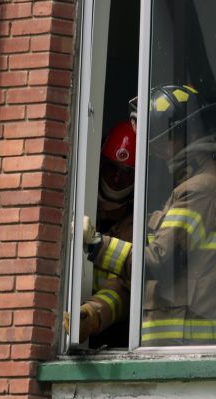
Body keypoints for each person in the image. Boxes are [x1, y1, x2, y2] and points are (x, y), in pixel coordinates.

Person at [82, 84, 216, 346]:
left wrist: (96, 245)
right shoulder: (192, 186)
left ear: (187, 133)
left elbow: (160, 262)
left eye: (161, 137)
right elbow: (127, 285)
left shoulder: (202, 188)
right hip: (175, 348)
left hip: (191, 348)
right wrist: (91, 314)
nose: (154, 148)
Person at [65, 121, 136, 344]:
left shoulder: (139, 226)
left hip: (110, 336)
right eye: (112, 168)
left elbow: (123, 291)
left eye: (126, 173)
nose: (116, 178)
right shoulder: (76, 199)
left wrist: (92, 313)